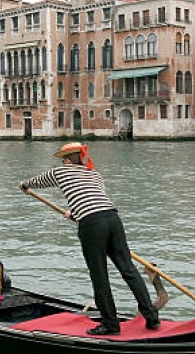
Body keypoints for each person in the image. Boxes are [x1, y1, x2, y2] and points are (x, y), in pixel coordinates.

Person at [20, 142, 160, 336]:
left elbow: (37, 181)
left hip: (92, 225)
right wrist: (75, 213)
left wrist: (24, 186)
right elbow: (92, 197)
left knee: (99, 275)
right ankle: (152, 318)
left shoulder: (60, 172)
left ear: (67, 160)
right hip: (112, 218)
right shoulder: (94, 174)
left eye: (63, 160)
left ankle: (110, 324)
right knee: (128, 269)